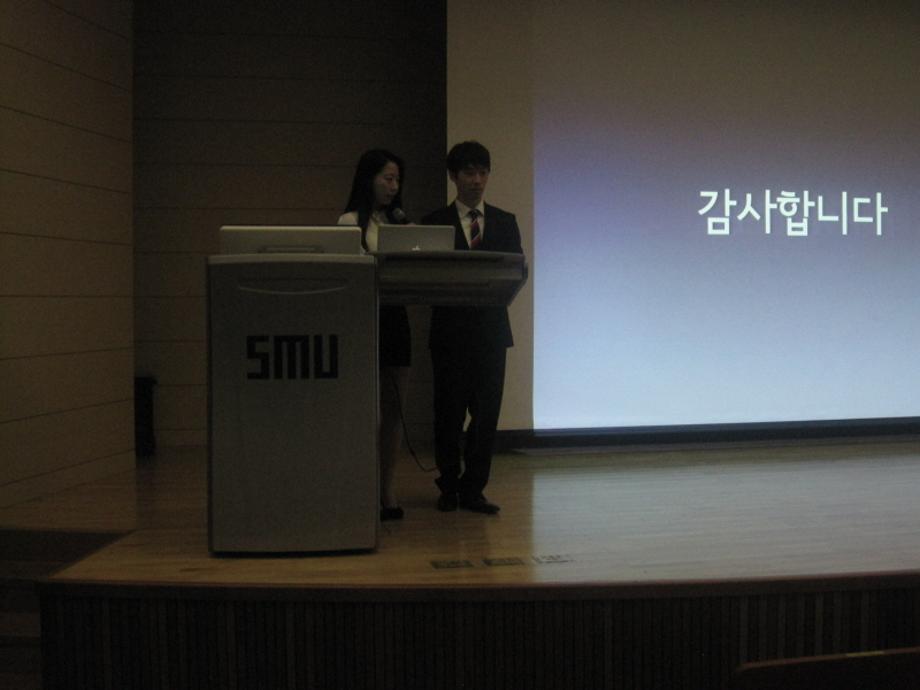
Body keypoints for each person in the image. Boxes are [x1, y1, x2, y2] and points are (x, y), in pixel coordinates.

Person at [421, 141, 523, 514]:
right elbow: (426, 277)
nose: (477, 180)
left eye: (482, 172)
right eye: (469, 173)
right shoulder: (434, 222)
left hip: (491, 331)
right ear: (453, 176)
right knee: (448, 413)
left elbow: (517, 270)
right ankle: (448, 485)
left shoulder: (505, 221)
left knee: (486, 414)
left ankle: (474, 488)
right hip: (450, 332)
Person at [338, 149, 411, 521]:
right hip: (364, 318)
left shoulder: (400, 222)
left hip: (396, 317)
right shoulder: (349, 221)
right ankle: (362, 487)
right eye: (387, 178)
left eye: (397, 179)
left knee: (394, 409)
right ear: (368, 178)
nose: (393, 186)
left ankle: (387, 489)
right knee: (368, 410)